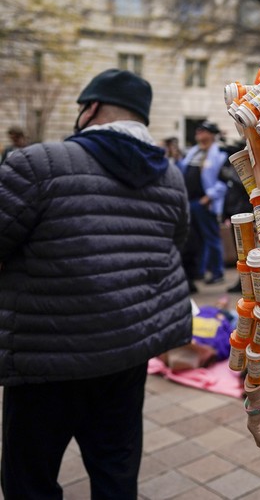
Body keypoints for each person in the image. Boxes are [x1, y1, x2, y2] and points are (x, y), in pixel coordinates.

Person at [0, 68, 192, 498]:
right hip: (127, 352)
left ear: (90, 109)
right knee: (116, 473)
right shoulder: (171, 177)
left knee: (30, 479)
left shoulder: (36, 163)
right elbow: (174, 244)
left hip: (45, 358)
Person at [178, 120, 229, 285]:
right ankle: (199, 271)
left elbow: (223, 181)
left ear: (211, 135)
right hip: (191, 202)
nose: (199, 134)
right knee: (194, 239)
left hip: (206, 202)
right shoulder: (193, 152)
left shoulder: (219, 153)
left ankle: (217, 272)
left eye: (203, 131)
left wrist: (209, 197)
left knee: (211, 237)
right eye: (198, 131)